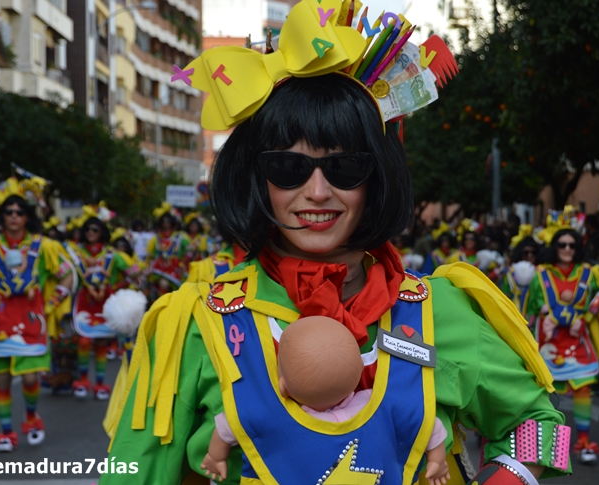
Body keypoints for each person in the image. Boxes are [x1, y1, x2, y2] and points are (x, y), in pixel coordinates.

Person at [103, 2, 570, 484]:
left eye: (345, 168)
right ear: (256, 178)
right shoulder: (195, 324)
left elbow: (543, 428)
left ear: (377, 178)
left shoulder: (440, 311)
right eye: (289, 168)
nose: (318, 192)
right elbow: (128, 470)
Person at [201, 317, 450, 484]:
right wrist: (437, 460)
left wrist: (216, 457)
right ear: (358, 378)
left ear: (282, 386)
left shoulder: (267, 413)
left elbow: (228, 425)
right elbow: (428, 424)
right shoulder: (382, 404)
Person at [0, 183, 73, 452]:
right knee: (3, 378)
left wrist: (52, 303)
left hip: (31, 321)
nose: (14, 216)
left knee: (31, 379)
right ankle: (5, 431)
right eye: (9, 211)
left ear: (27, 216)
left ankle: (31, 417)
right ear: (2, 215)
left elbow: (67, 273)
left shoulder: (45, 247)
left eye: (19, 211)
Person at [525, 229, 599, 465]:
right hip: (548, 343)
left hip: (577, 342)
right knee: (544, 392)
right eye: (562, 245)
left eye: (572, 245)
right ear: (554, 246)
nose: (567, 250)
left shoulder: (590, 273)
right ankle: (545, 447)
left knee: (583, 390)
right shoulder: (540, 274)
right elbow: (531, 308)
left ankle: (583, 443)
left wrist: (587, 316)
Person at [70, 214, 140, 400]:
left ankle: (100, 384)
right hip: (84, 301)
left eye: (95, 229)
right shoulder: (76, 253)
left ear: (102, 232)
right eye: (87, 229)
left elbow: (134, 272)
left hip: (106, 303)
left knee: (101, 342)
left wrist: (123, 284)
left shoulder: (112, 254)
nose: (91, 233)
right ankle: (83, 380)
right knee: (84, 341)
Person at [502, 236, 540, 317]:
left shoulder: (542, 273)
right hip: (514, 315)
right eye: (526, 252)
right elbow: (505, 294)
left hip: (535, 317)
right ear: (520, 253)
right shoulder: (510, 273)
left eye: (533, 252)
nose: (530, 255)